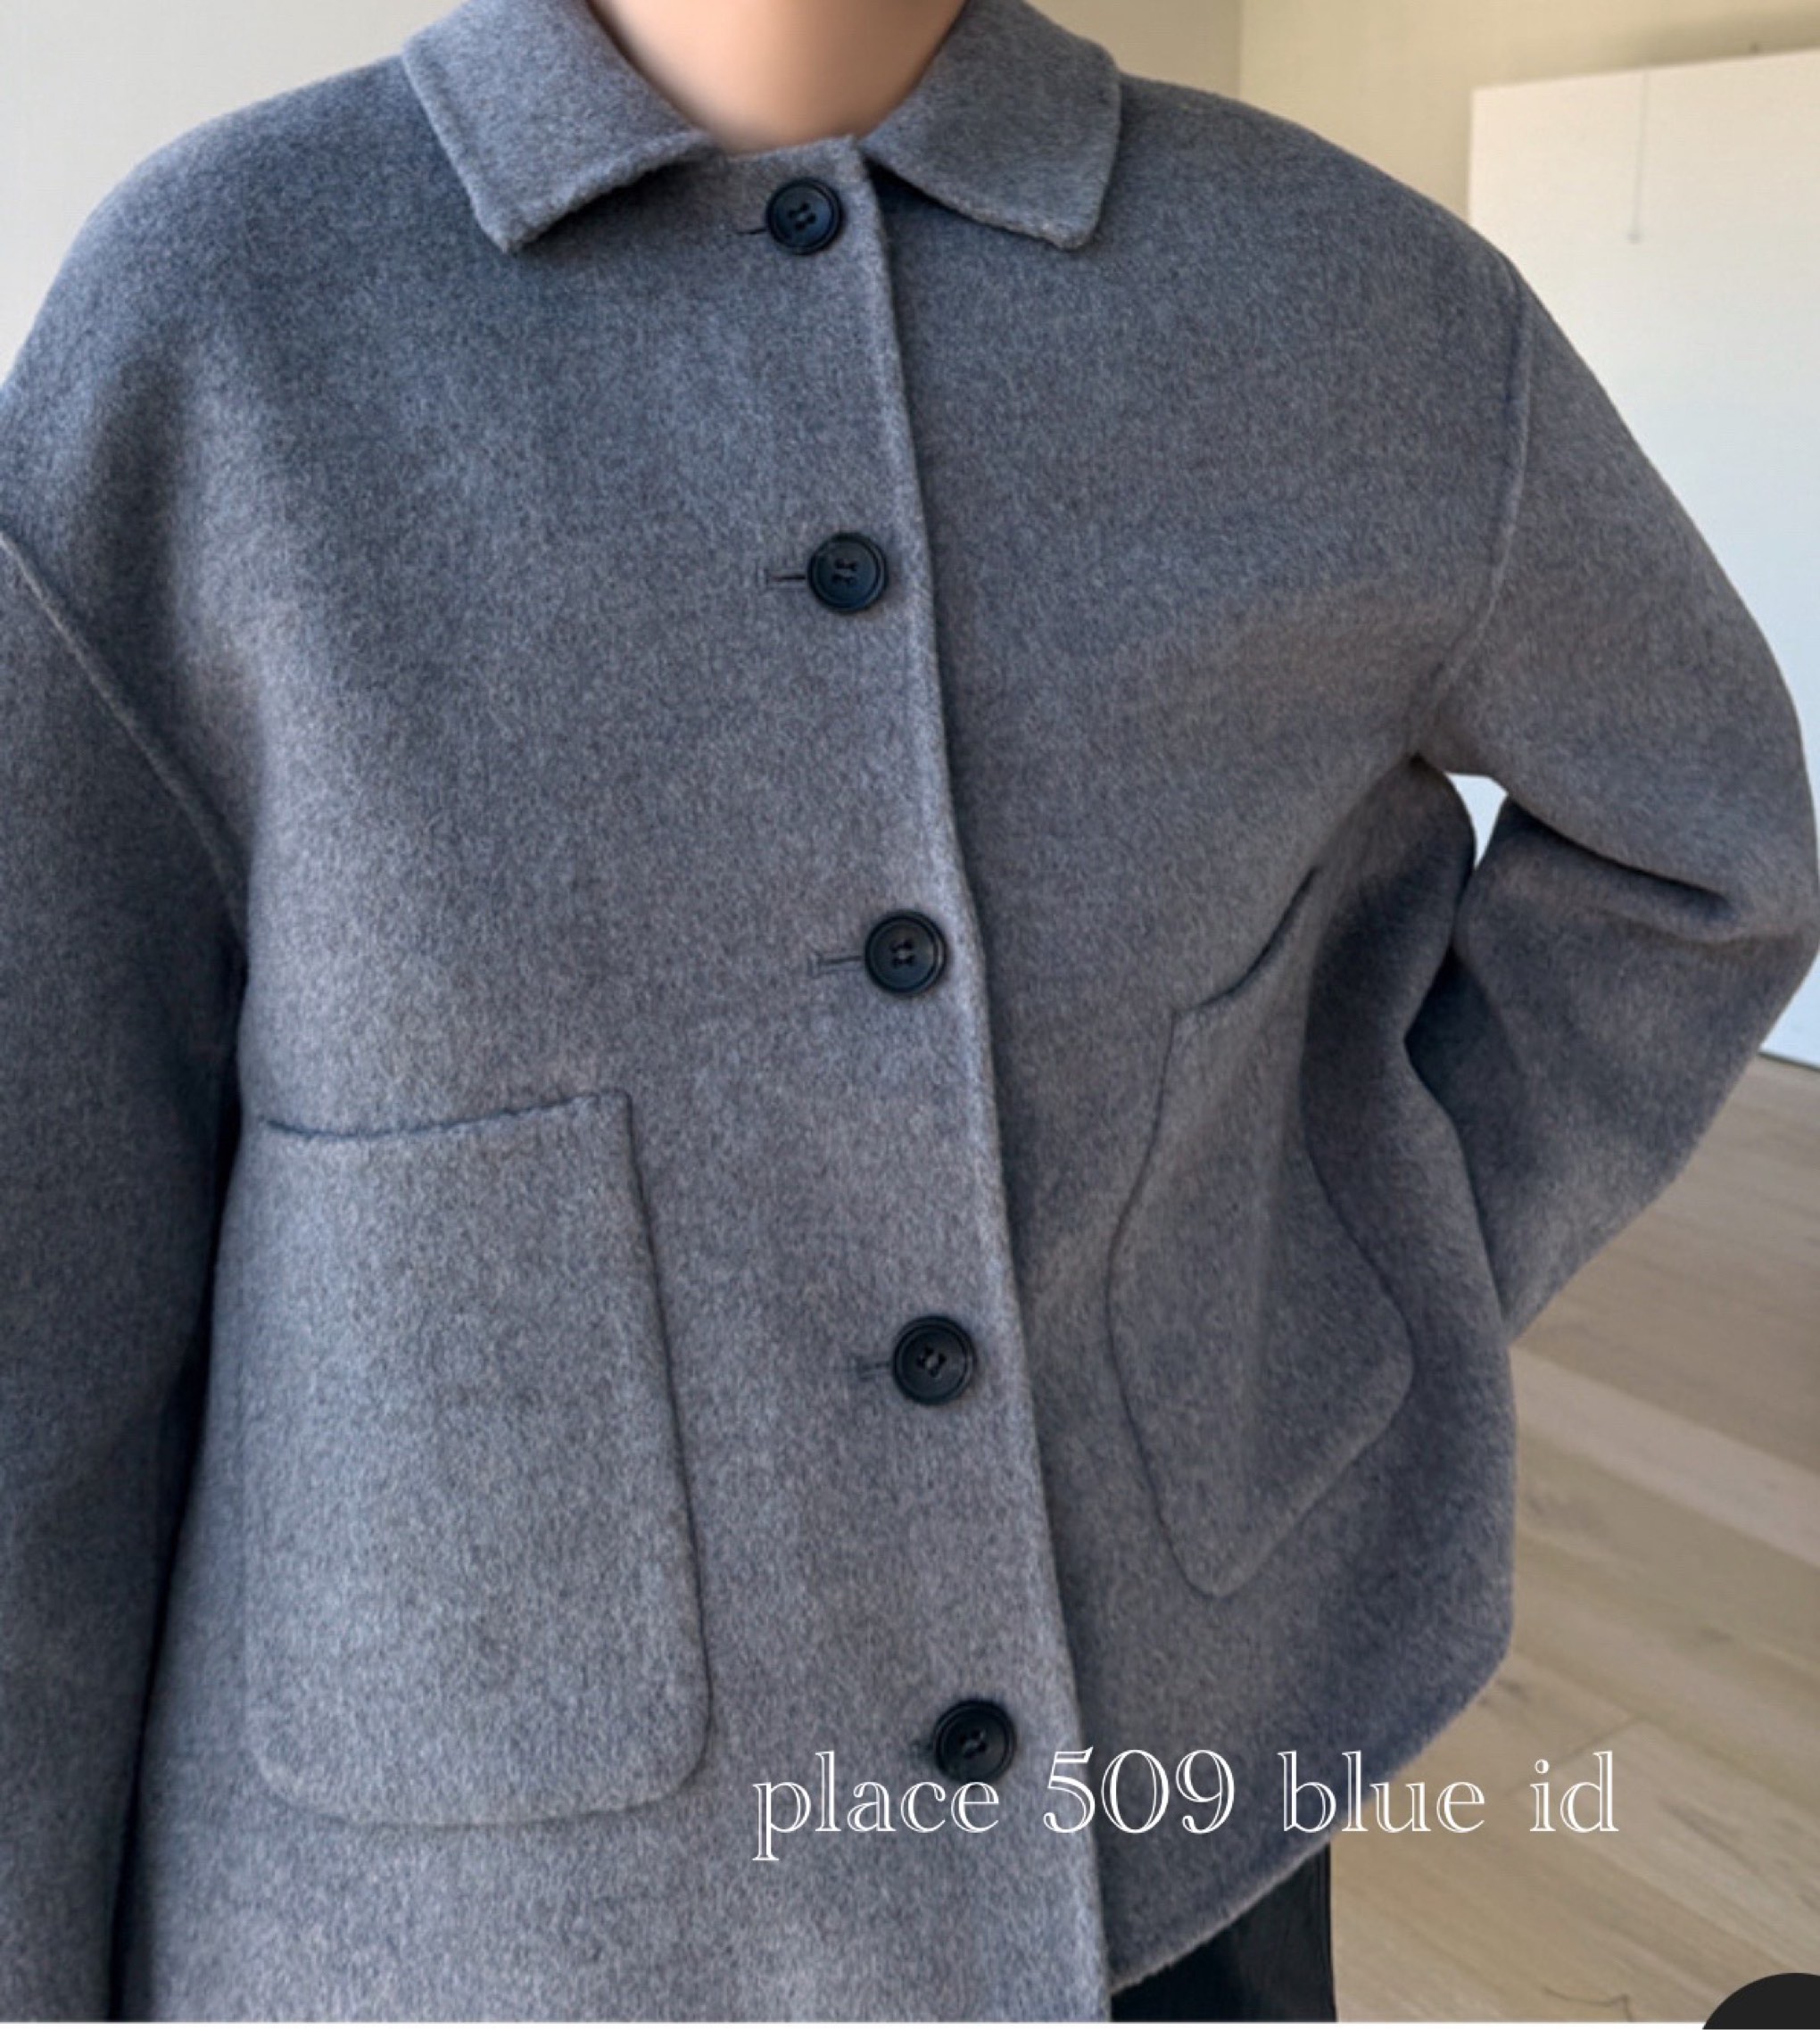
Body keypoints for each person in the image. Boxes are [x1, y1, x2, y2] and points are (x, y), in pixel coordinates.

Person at [0, 0, 1814, 2018]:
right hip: (434, 1931)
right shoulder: (219, 320)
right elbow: (44, 1265)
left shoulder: (1365, 309)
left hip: (1159, 1836)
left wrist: (1362, 1269)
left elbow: (1700, 855)